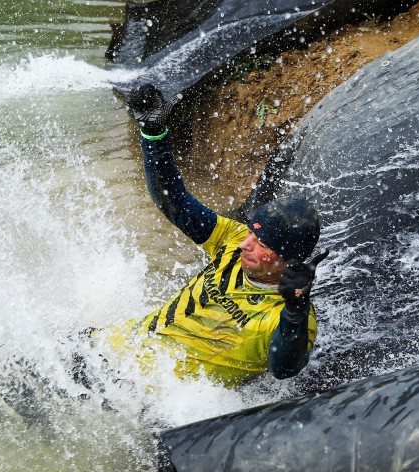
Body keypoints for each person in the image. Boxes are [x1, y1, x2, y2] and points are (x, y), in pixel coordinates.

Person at [96, 83, 328, 389]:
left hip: (143, 395)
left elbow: (285, 369)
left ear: (288, 260)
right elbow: (173, 201)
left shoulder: (285, 316)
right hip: (108, 350)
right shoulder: (232, 240)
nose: (246, 243)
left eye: (260, 244)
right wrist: (153, 135)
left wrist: (295, 313)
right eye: (250, 234)